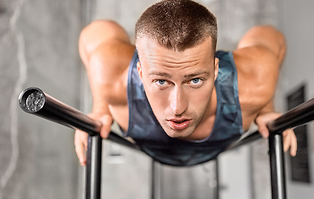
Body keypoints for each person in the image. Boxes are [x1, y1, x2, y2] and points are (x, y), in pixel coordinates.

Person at [74, 0, 297, 166]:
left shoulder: (254, 82)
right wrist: (100, 109)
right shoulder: (112, 78)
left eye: (195, 80)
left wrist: (265, 108)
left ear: (216, 70)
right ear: (140, 73)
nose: (177, 107)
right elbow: (92, 34)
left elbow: (272, 37)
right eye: (161, 81)